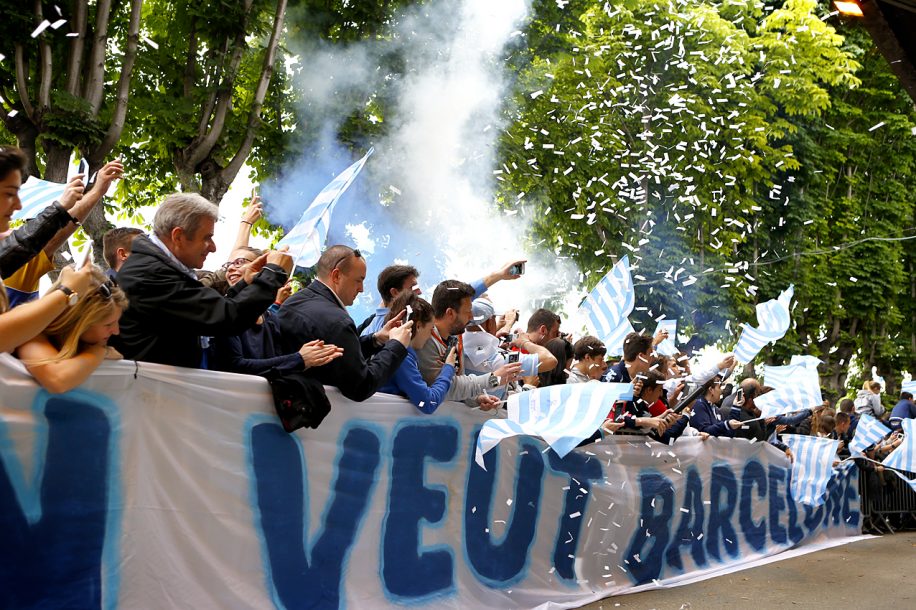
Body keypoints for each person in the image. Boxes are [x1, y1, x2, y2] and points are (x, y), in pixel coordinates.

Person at [112, 193, 292, 368]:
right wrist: (273, 273)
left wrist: (244, 283)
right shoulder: (151, 274)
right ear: (178, 236)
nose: (213, 248)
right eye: (207, 238)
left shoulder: (160, 268)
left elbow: (213, 306)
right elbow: (226, 318)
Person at [278, 245, 413, 402]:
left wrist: (375, 339)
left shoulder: (294, 300)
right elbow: (361, 386)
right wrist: (396, 345)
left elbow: (338, 353)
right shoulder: (338, 321)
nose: (361, 289)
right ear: (336, 276)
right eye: (358, 280)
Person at [2, 156, 123, 305]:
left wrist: (97, 191)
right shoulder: (17, 257)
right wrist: (68, 292)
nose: (18, 206)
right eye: (8, 194)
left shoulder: (18, 256)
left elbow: (49, 235)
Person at [209, 247, 343, 379]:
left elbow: (276, 366)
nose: (231, 268)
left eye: (239, 262)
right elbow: (234, 366)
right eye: (228, 264)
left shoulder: (271, 319)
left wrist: (311, 357)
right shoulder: (223, 314)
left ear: (262, 268)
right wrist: (299, 359)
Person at [15, 267, 127, 393]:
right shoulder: (31, 333)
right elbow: (57, 379)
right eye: (108, 324)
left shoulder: (84, 343)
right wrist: (100, 352)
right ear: (77, 322)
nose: (116, 331)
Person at [414, 280, 521, 408]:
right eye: (468, 311)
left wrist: (476, 399)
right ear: (450, 313)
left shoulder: (456, 336)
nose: (471, 318)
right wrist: (494, 379)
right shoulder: (426, 341)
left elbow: (459, 383)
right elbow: (446, 388)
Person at [378, 292, 458, 413]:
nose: (431, 335)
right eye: (431, 329)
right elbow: (428, 402)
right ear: (419, 326)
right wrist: (448, 368)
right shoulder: (402, 357)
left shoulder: (392, 350)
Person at [358, 264, 421, 337]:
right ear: (394, 292)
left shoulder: (371, 327)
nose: (419, 292)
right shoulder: (396, 329)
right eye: (412, 287)